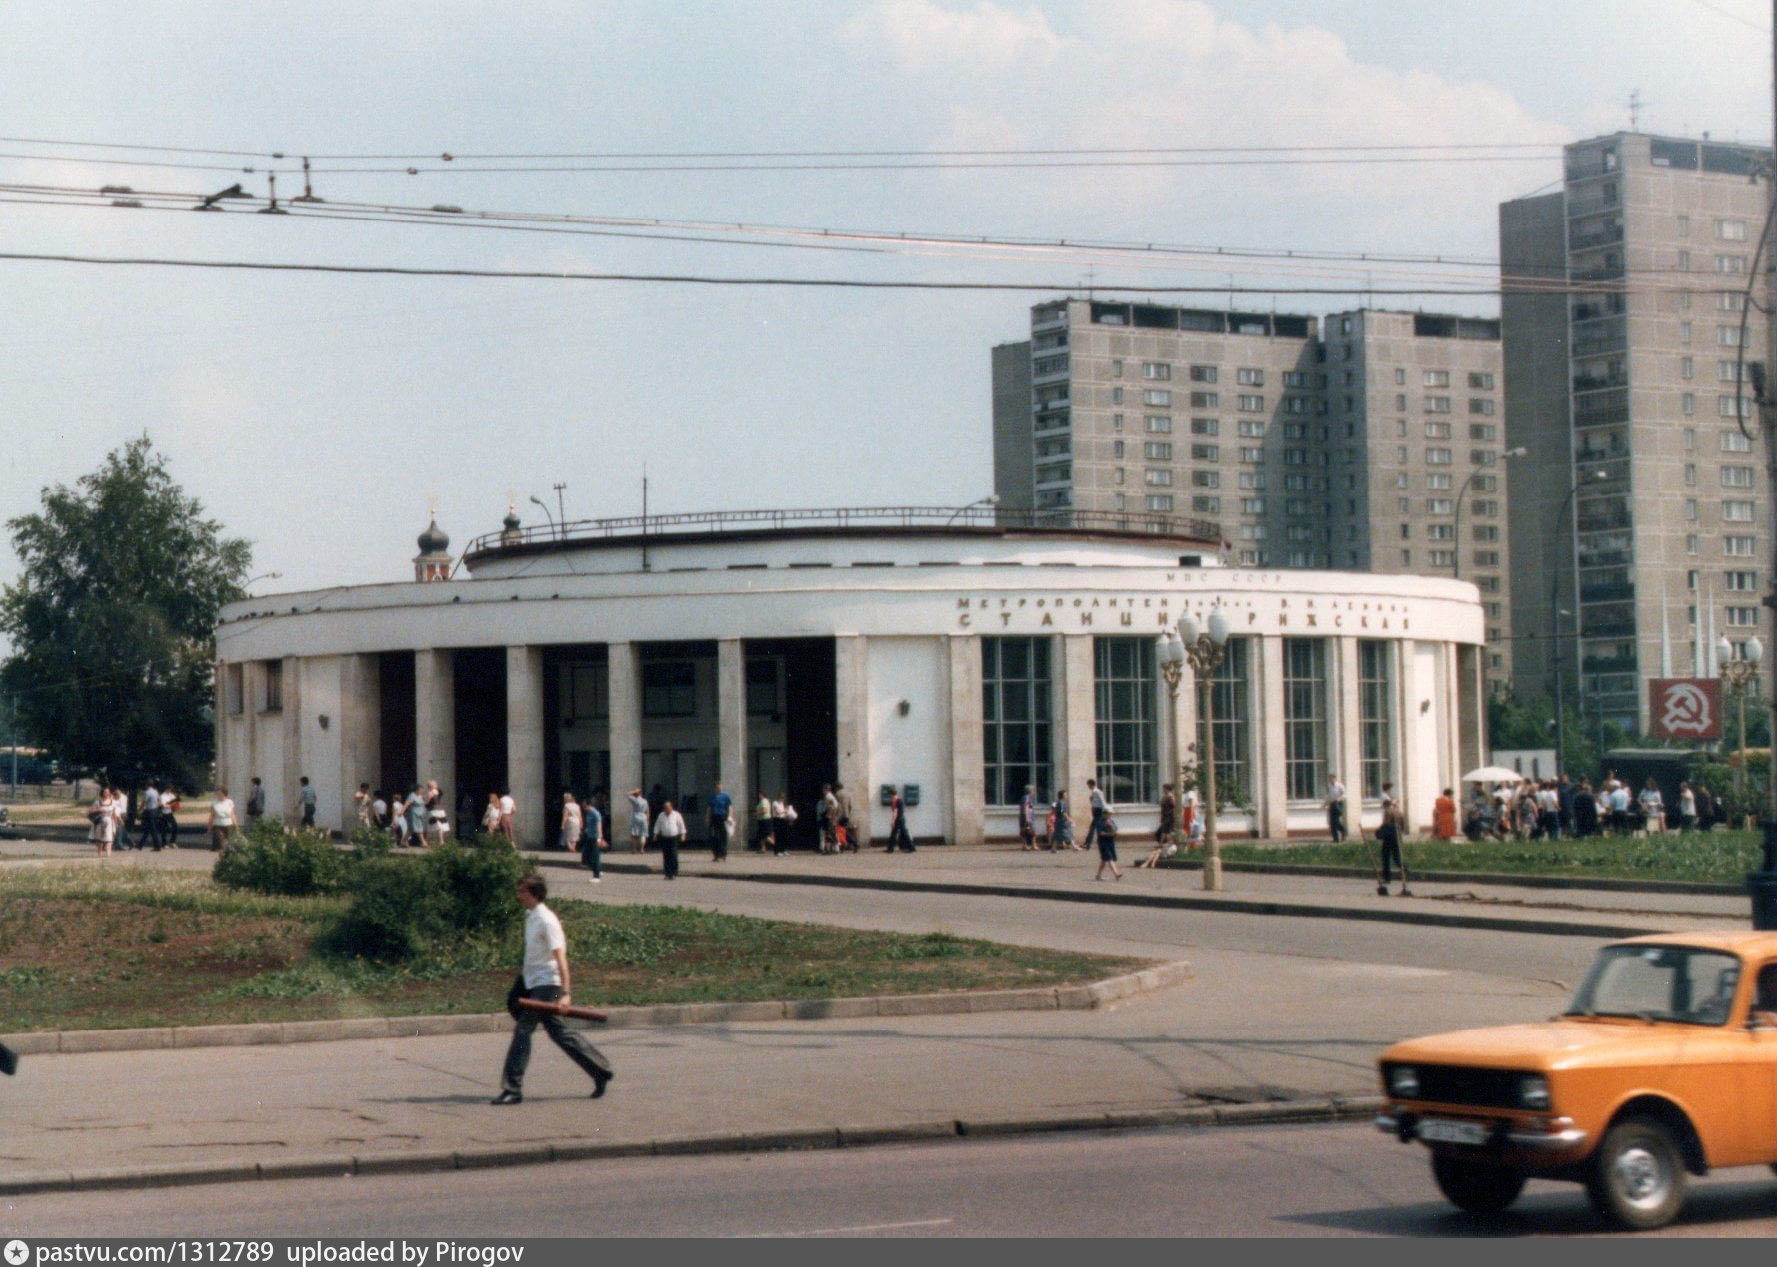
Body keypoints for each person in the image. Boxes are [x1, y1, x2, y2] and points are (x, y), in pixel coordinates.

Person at [490, 874, 612, 1105]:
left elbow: (561, 959)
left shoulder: (547, 920)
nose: (519, 896)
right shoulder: (531, 916)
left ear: (535, 894)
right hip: (532, 981)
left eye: (523, 892)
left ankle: (512, 1089)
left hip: (550, 984)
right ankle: (600, 1070)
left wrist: (565, 994)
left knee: (524, 1029)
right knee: (558, 1031)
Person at [1375, 782, 1409, 896]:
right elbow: (1403, 824)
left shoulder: (1387, 812)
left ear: (1385, 805)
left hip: (1389, 835)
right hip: (1397, 834)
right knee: (1396, 855)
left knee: (1385, 855)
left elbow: (1385, 822)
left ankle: (1387, 877)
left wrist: (1378, 830)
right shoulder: (1399, 812)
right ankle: (1405, 870)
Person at [1138, 783, 1178, 869]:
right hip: (1164, 816)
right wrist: (1161, 816)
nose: (1163, 790)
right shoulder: (1165, 797)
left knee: (1164, 831)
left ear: (1168, 789)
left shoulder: (1170, 797)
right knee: (1160, 832)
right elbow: (1162, 807)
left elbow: (1174, 806)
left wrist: (1170, 814)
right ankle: (1163, 844)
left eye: (1164, 789)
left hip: (1169, 816)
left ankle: (1161, 844)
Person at [652, 799, 686, 878]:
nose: (666, 809)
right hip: (665, 837)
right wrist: (655, 834)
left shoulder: (676, 815)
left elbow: (681, 825)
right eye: (665, 807)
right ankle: (667, 873)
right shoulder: (661, 815)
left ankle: (674, 872)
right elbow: (657, 825)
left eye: (667, 807)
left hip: (673, 837)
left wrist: (683, 834)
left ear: (671, 807)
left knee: (673, 855)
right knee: (666, 855)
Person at [580, 792, 604, 882]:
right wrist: (586, 830)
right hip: (589, 836)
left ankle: (596, 876)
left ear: (588, 804)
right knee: (587, 855)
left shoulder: (595, 813)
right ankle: (597, 870)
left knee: (595, 856)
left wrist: (599, 837)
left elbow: (598, 824)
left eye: (584, 805)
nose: (583, 807)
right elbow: (589, 825)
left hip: (595, 837)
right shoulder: (588, 813)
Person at [1093, 806, 1122, 880]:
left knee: (1104, 860)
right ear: (1105, 813)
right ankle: (1116, 873)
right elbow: (1100, 833)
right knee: (1109, 858)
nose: (1110, 815)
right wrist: (1110, 833)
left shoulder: (1111, 821)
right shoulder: (1100, 821)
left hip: (1110, 842)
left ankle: (1098, 875)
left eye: (1111, 814)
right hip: (1103, 842)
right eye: (1109, 814)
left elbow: (1115, 829)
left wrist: (1112, 828)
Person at [708, 781, 733, 862]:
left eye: (720, 787)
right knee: (714, 836)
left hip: (722, 817)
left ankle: (723, 854)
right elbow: (709, 808)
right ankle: (716, 855)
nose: (719, 788)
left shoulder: (725, 796)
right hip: (714, 817)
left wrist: (730, 817)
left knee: (723, 836)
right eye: (717, 787)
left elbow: (729, 807)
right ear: (715, 788)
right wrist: (707, 818)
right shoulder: (712, 796)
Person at [208, 786, 237, 852]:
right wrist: (209, 827)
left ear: (224, 793)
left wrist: (236, 825)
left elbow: (233, 814)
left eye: (219, 793)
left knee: (229, 844)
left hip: (228, 824)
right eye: (217, 794)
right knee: (218, 843)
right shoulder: (214, 803)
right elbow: (211, 816)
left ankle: (226, 856)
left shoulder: (230, 802)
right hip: (217, 824)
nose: (218, 795)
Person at [885, 786, 914, 853]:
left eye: (890, 795)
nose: (890, 797)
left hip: (898, 819)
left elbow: (895, 812)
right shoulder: (900, 800)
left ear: (891, 794)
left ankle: (891, 849)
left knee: (896, 834)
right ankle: (891, 848)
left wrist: (893, 821)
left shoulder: (895, 801)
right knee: (898, 833)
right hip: (901, 818)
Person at [90, 787, 116, 856]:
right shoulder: (97, 802)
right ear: (102, 793)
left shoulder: (112, 802)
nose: (107, 793)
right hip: (100, 821)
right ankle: (100, 853)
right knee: (100, 838)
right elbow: (91, 811)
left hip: (109, 821)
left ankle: (108, 854)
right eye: (105, 792)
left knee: (109, 838)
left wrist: (115, 823)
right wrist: (98, 810)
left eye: (108, 792)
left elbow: (114, 813)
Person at [1082, 778, 1106, 851]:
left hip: (1098, 811)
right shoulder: (1094, 792)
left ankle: (1088, 843)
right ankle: (1088, 844)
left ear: (1090, 784)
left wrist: (1105, 810)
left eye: (1088, 785)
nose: (1088, 787)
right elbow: (1095, 802)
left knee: (1095, 828)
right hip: (1096, 811)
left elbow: (1102, 801)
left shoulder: (1097, 792)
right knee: (1095, 828)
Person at [140, 780, 163, 850]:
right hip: (155, 811)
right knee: (148, 828)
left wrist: (140, 809)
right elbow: (159, 801)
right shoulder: (156, 792)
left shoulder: (147, 792)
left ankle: (157, 846)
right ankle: (140, 844)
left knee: (152, 829)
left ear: (147, 785)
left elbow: (144, 802)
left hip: (149, 811)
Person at [834, 782, 857, 852]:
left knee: (841, 831)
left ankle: (854, 843)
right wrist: (848, 814)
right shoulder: (848, 794)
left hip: (840, 815)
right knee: (843, 830)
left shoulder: (837, 794)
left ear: (837, 787)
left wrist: (835, 815)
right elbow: (850, 806)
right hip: (846, 815)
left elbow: (836, 805)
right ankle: (845, 846)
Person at [560, 790, 583, 858]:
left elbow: (565, 816)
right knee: (575, 836)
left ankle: (571, 848)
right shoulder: (577, 805)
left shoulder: (566, 806)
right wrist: (581, 823)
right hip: (577, 821)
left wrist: (562, 824)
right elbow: (580, 815)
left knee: (567, 836)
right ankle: (573, 848)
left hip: (569, 821)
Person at [425, 780, 449, 846]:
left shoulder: (430, 793)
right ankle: (441, 841)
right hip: (440, 810)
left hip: (433, 810)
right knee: (441, 826)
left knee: (433, 826)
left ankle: (438, 841)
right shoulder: (438, 791)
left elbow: (426, 802)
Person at [627, 788, 650, 852]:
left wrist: (633, 791)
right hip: (643, 816)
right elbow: (647, 811)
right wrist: (648, 819)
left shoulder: (635, 800)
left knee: (634, 834)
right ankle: (642, 848)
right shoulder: (645, 801)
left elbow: (627, 794)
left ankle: (634, 849)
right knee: (643, 834)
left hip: (636, 816)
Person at [1325, 775, 1347, 843]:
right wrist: (1325, 804)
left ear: (1335, 779)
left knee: (1336, 821)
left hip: (1338, 804)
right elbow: (1328, 796)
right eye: (1330, 779)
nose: (1331, 780)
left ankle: (1343, 831)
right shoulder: (1329, 786)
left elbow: (1345, 795)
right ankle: (1335, 839)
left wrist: (1339, 799)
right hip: (1332, 804)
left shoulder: (1340, 786)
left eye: (1332, 779)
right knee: (1332, 823)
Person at [1018, 785, 1037, 850]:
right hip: (1027, 817)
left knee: (1027, 831)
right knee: (1030, 831)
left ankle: (1029, 845)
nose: (1034, 792)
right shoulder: (1026, 798)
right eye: (1033, 790)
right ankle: (1029, 845)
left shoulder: (1028, 798)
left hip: (1027, 817)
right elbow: (1025, 808)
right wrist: (1027, 818)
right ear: (1030, 791)